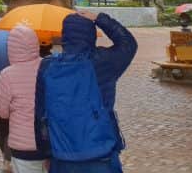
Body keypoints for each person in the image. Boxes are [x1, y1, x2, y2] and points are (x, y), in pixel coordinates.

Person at [36, 12, 138, 173]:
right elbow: (128, 44)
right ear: (90, 35)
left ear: (65, 35)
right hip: (100, 153)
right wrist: (100, 18)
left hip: (62, 156)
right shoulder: (102, 62)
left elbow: (40, 114)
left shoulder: (47, 67)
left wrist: (46, 153)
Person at [0, 25, 47, 173]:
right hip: (49, 142)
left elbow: (3, 113)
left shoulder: (7, 74)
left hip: (23, 147)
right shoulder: (48, 67)